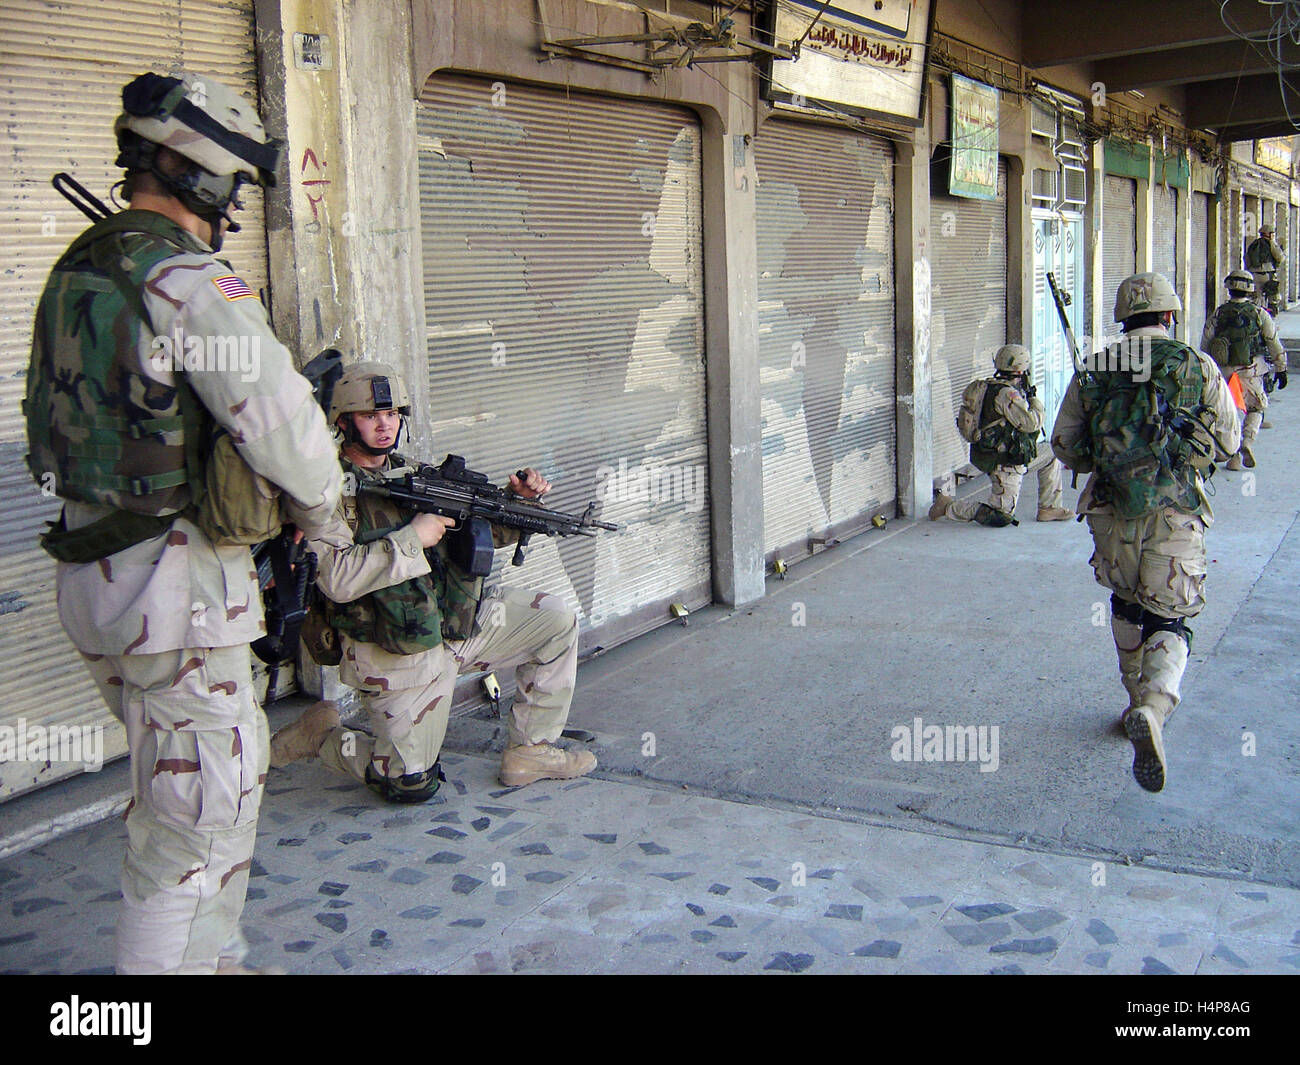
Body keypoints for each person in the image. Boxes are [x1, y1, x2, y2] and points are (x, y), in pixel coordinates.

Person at [23, 72, 341, 972]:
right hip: (180, 595)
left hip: (98, 577)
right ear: (198, 173)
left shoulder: (80, 267)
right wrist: (327, 522)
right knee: (194, 826)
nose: (236, 204)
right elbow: (291, 438)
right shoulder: (187, 280)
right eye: (234, 184)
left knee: (185, 799)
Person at [269, 362, 596, 801]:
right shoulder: (326, 492)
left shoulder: (413, 473)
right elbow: (337, 580)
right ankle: (322, 735)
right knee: (408, 783)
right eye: (370, 416)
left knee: (554, 620)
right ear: (344, 422)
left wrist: (515, 505)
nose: (384, 425)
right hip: (394, 650)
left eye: (391, 414)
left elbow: (472, 538)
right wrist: (411, 539)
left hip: (456, 623)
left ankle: (531, 751)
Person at [1051, 272, 1240, 793]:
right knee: (1171, 613)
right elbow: (1228, 440)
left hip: (1110, 512)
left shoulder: (1096, 367)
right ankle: (1155, 708)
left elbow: (1065, 444)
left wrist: (1109, 456)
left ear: (1122, 319)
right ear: (1170, 316)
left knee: (1127, 601)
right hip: (1175, 511)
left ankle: (1134, 701)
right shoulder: (1196, 365)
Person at [929, 344, 1074, 525]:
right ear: (1020, 370)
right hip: (1005, 462)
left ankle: (1049, 508)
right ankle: (948, 507)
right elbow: (1032, 423)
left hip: (1006, 454)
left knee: (1051, 454)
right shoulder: (1007, 393)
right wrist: (1033, 399)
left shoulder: (990, 385)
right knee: (1001, 516)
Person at [1201, 269, 1288, 469]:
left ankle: (1229, 453)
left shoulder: (1219, 313)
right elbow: (1273, 342)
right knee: (1256, 408)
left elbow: (1205, 343)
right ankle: (1246, 443)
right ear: (1250, 289)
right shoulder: (1259, 314)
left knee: (1225, 412)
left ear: (1229, 287)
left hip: (1223, 372)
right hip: (1250, 370)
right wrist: (1281, 368)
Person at [1245, 223, 1284, 312]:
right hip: (1267, 274)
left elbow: (1246, 258)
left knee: (1256, 298)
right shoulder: (1270, 243)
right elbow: (1280, 257)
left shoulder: (1254, 244)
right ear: (1269, 234)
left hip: (1253, 274)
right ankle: (1270, 317)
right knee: (1272, 296)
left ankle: (1255, 315)